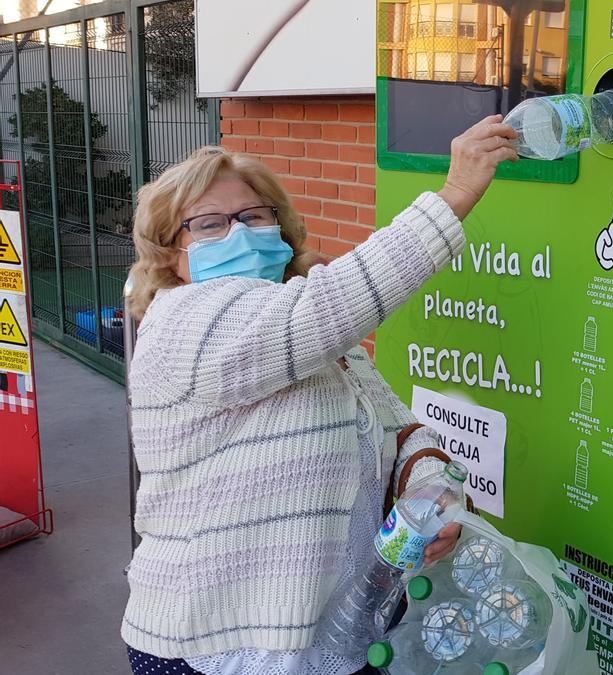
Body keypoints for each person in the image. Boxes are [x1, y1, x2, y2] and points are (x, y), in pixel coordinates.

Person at [121, 116, 518, 675]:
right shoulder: (184, 324)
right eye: (208, 225)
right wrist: (454, 195)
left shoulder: (316, 337)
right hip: (218, 646)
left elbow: (398, 428)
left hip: (337, 635)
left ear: (279, 227)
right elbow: (323, 309)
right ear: (170, 254)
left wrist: (429, 491)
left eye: (253, 216)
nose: (238, 233)